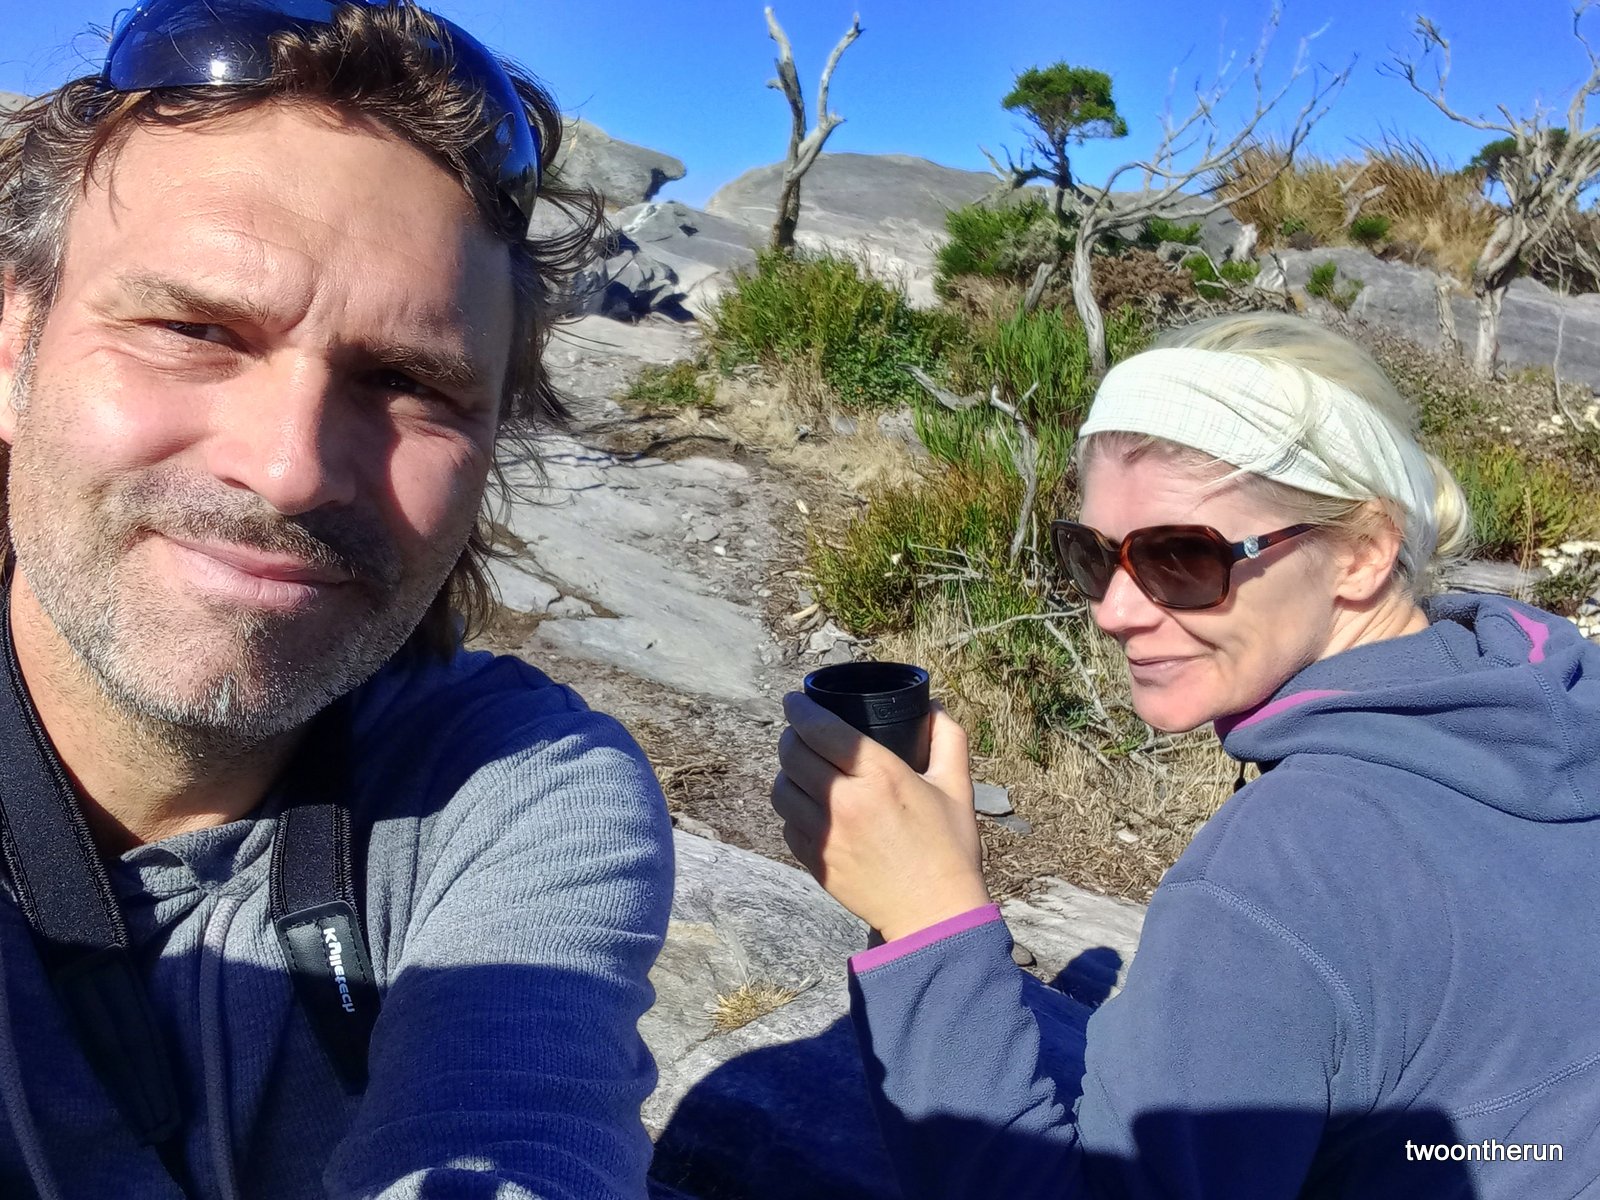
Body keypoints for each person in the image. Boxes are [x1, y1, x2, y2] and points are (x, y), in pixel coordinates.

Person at [0, 2, 673, 1197]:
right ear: (15, 350)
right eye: (193, 327)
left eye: (407, 381)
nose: (291, 465)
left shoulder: (511, 798)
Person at [772, 312, 1600, 1197]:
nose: (1114, 611)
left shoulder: (1287, 869)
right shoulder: (1555, 704)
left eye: (1179, 556)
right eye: (1095, 554)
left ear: (1361, 552)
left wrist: (926, 920)